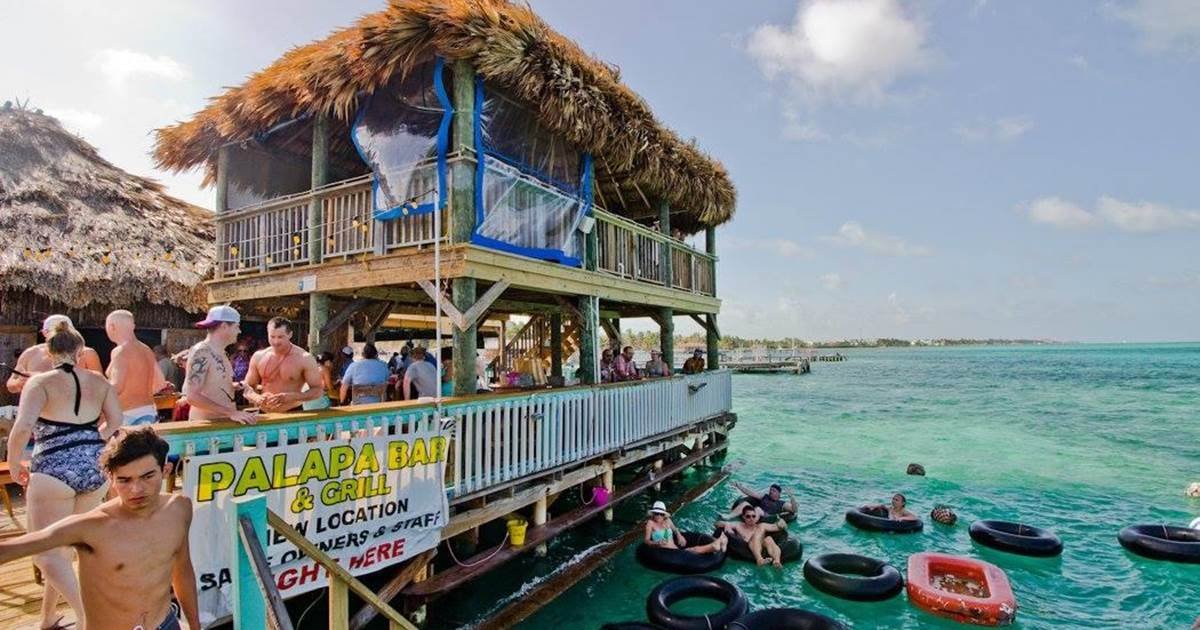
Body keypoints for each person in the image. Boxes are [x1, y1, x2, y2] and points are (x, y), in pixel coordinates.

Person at [0, 427, 200, 630]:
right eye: (124, 480)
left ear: (165, 470)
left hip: (165, 624)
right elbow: (16, 547)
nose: (136, 489)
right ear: (110, 479)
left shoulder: (179, 509)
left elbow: (182, 569)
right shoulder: (91, 527)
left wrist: (195, 625)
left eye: (147, 476)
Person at [5, 320, 123, 629]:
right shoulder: (98, 381)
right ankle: (48, 617)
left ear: (49, 351)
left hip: (53, 466)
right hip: (94, 465)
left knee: (44, 553)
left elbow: (23, 428)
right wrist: (91, 439)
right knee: (64, 548)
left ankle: (89, 618)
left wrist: (14, 461)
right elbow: (116, 420)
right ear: (81, 351)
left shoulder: (40, 382)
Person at [183, 305, 257, 424]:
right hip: (205, 426)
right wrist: (231, 413)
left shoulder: (221, 352)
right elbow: (192, 396)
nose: (239, 331)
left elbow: (212, 384)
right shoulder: (202, 352)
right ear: (224, 326)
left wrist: (233, 386)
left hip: (220, 424)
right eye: (237, 326)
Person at [242, 317, 325, 413]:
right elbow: (248, 387)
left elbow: (318, 390)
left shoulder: (304, 358)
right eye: (272, 337)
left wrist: (293, 396)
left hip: (292, 411)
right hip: (265, 412)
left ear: (290, 334)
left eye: (280, 337)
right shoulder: (259, 356)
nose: (276, 342)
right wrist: (257, 397)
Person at [6, 314, 102, 394]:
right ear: (44, 333)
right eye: (55, 332)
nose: (59, 337)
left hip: (74, 413)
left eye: (63, 332)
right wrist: (19, 383)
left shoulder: (87, 354)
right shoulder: (31, 353)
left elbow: (100, 386)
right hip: (39, 412)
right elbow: (11, 384)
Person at [105, 310, 169, 426]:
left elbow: (117, 387)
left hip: (127, 415)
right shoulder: (147, 350)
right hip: (149, 412)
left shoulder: (120, 351)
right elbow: (160, 383)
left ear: (111, 326)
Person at [715, 504, 788, 568]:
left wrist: (782, 523)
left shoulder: (761, 525)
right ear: (743, 517)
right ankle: (759, 560)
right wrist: (727, 525)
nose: (751, 519)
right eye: (748, 516)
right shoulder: (738, 525)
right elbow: (717, 523)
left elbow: (777, 527)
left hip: (763, 547)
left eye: (753, 516)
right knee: (756, 536)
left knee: (768, 539)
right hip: (747, 548)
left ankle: (777, 561)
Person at [645, 501, 726, 554]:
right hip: (665, 552)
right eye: (657, 513)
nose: (659, 516)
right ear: (653, 514)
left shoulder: (668, 520)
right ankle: (714, 546)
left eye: (661, 514)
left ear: (664, 515)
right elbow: (647, 540)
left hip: (675, 549)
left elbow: (675, 530)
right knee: (692, 550)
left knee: (691, 550)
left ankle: (715, 544)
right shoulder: (650, 523)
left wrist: (680, 536)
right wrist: (656, 543)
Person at [729, 482, 798, 521]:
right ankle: (728, 517)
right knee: (745, 503)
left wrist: (791, 496)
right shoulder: (765, 497)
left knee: (757, 509)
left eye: (773, 490)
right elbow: (751, 493)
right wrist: (739, 486)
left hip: (768, 517)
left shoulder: (782, 503)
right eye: (770, 490)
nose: (771, 491)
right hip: (756, 515)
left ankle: (750, 523)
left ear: (779, 493)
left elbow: (794, 510)